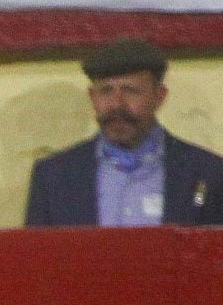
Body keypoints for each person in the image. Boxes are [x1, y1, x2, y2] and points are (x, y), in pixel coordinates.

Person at [25, 38, 223, 227]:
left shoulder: (208, 173)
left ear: (159, 96)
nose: (117, 104)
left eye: (130, 91)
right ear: (92, 97)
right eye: (106, 91)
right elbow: (37, 259)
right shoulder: (53, 177)